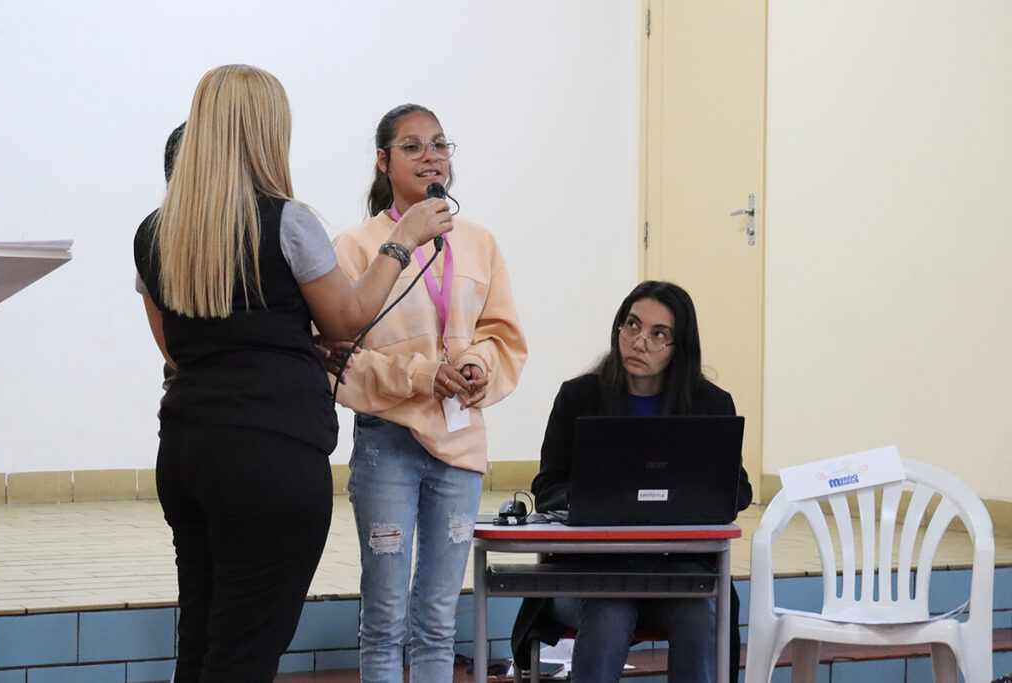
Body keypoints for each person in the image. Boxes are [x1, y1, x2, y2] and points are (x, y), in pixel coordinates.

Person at [134, 66, 452, 682]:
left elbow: (179, 350)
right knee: (246, 652)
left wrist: (292, 344)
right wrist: (402, 240)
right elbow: (347, 319)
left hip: (187, 450)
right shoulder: (286, 220)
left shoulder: (156, 230)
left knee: (200, 639)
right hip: (270, 457)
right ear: (266, 131)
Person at [332, 103, 528, 682]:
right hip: (387, 443)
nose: (430, 157)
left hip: (459, 444)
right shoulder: (356, 247)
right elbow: (341, 358)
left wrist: (477, 366)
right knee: (385, 619)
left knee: (439, 622)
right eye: (413, 146)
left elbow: (502, 336)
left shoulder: (480, 242)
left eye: (440, 144)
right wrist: (421, 376)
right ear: (383, 160)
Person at [511, 280, 752, 683]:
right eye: (633, 325)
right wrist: (592, 499)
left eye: (659, 334)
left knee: (699, 608)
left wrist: (689, 495)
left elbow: (736, 490)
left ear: (679, 347)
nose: (640, 342)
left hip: (675, 573)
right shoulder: (579, 397)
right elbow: (548, 486)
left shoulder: (710, 404)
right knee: (610, 607)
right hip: (589, 574)